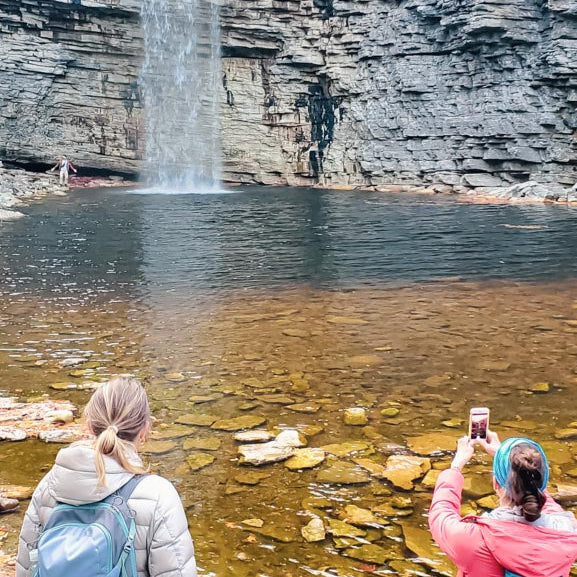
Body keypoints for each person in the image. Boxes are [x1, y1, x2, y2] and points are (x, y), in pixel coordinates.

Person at [16, 376, 197, 577]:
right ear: (145, 429)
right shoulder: (158, 494)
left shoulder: (50, 485)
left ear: (90, 426)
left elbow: (26, 568)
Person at [429, 431, 577, 577]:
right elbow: (544, 501)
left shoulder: (473, 539)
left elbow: (441, 513)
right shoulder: (567, 531)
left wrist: (456, 466)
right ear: (542, 481)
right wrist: (504, 457)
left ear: (495, 484)